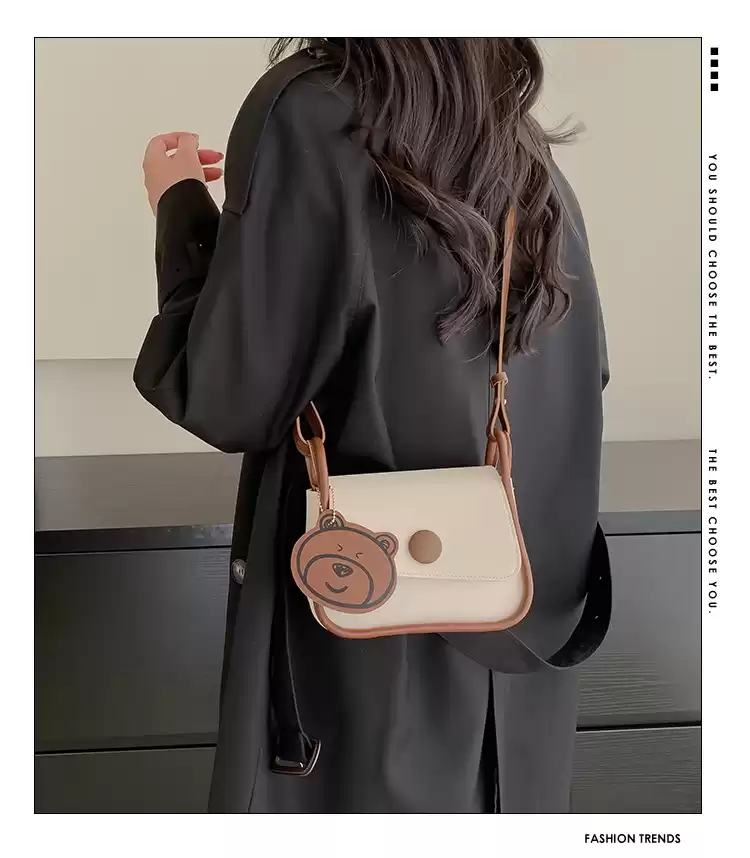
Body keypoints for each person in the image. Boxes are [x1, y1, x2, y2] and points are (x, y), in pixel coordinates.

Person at [135, 38, 610, 813]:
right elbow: (579, 369)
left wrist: (181, 209)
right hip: (519, 647)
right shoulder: (515, 136)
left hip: (361, 649)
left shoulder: (311, 110)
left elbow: (228, 394)